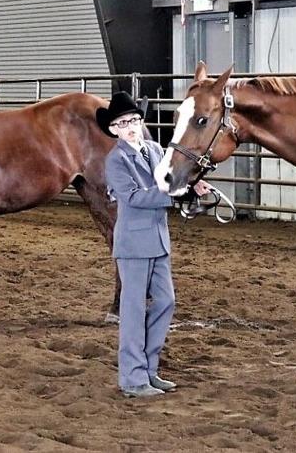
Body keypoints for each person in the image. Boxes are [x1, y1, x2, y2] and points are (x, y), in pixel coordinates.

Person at [99, 92, 211, 398]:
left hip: (158, 240)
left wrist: (192, 184)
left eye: (134, 119)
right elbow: (134, 197)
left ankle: (149, 370)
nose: (131, 126)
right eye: (124, 123)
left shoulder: (153, 148)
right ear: (114, 130)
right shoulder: (116, 161)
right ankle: (133, 379)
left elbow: (169, 177)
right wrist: (174, 195)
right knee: (133, 311)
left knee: (166, 301)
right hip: (134, 244)